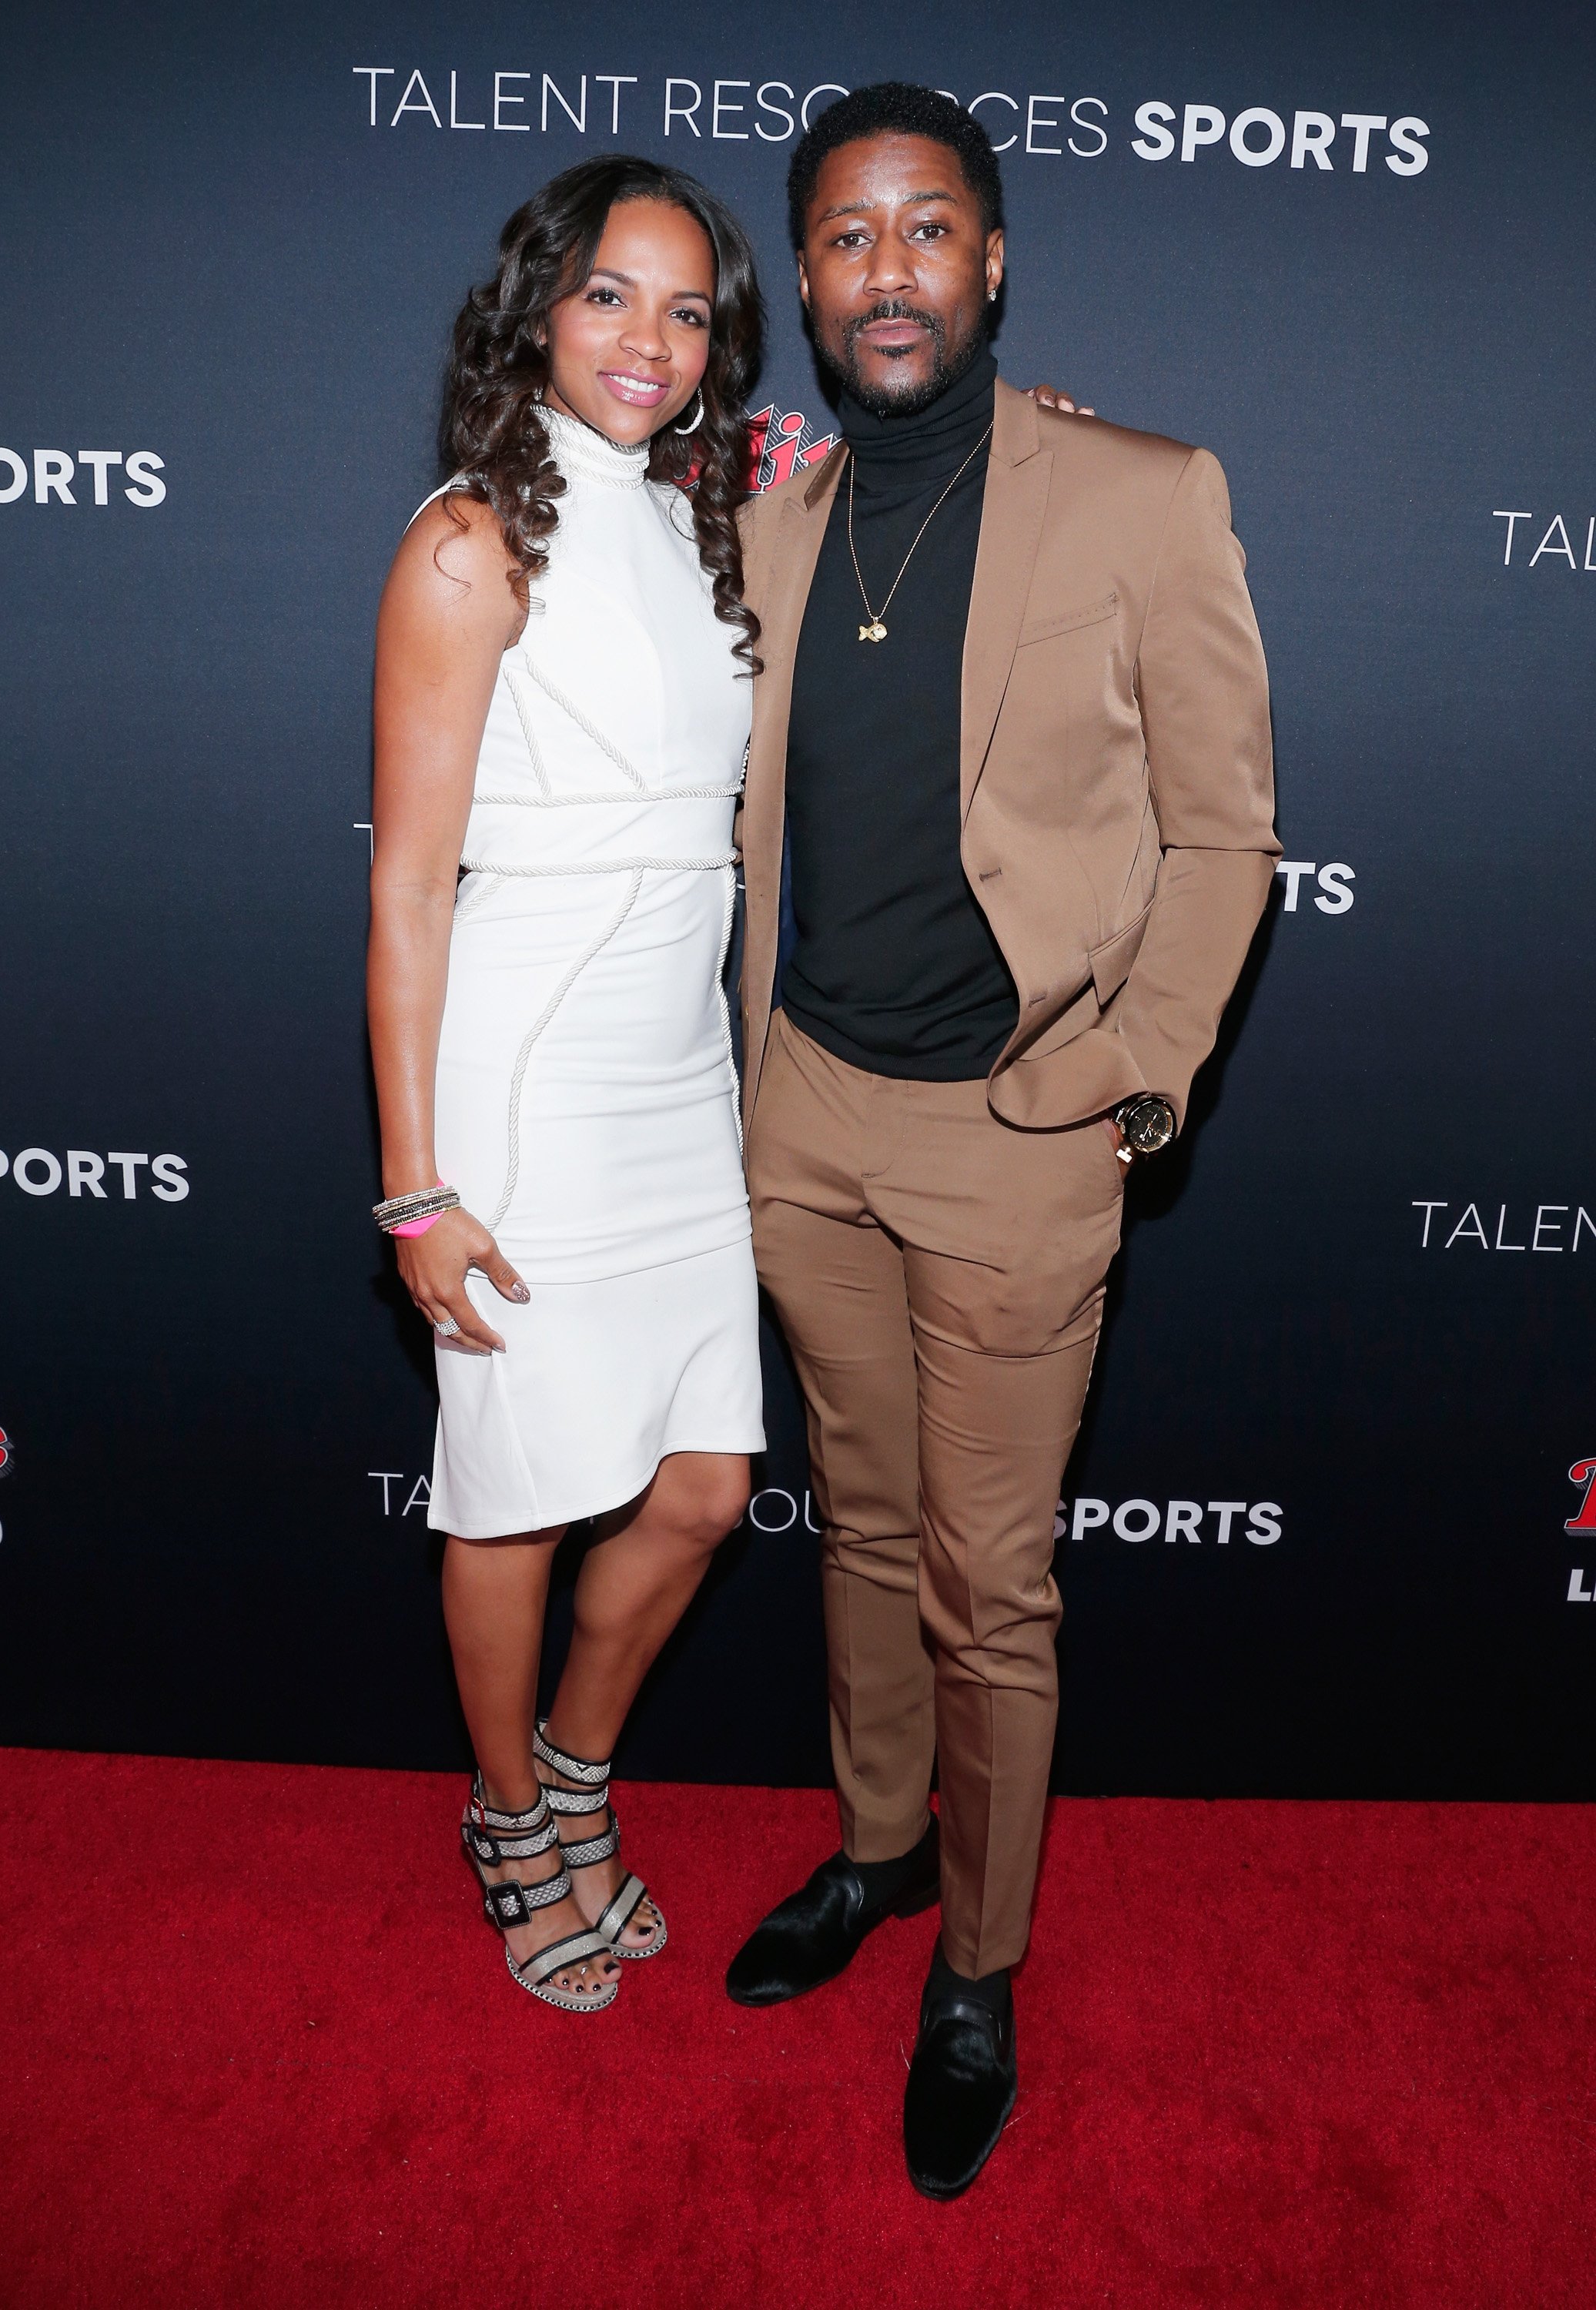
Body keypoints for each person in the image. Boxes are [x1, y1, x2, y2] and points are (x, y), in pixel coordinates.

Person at [728, 84, 1279, 2195]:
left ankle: (979, 1963)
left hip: (1018, 1129)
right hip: (805, 1118)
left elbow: (1227, 826)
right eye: (850, 238)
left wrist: (1137, 1076)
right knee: (860, 1528)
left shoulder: (1141, 495)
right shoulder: (767, 515)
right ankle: (876, 1851)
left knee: (990, 1584)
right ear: (808, 279)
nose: (889, 271)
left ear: (991, 258)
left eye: (927, 229)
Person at [366, 156, 768, 2013]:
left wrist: (1047, 435)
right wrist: (418, 1184)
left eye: (686, 311)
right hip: (523, 1075)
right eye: (613, 294)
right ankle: (513, 1812)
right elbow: (408, 880)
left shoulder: (698, 529)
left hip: (680, 1081)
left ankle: (586, 1766)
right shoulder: (469, 539)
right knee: (514, 1502)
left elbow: (884, 499)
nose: (648, 340)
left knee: (698, 1484)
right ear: (540, 301)